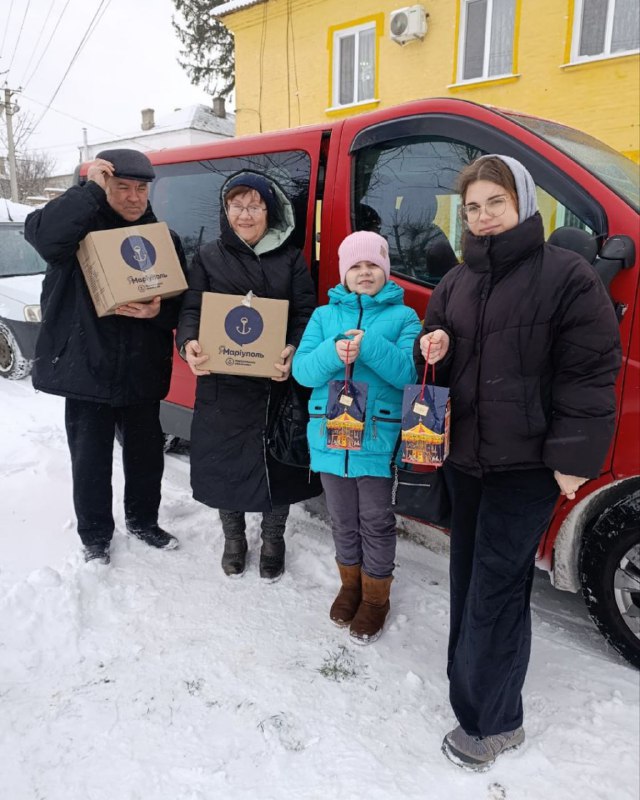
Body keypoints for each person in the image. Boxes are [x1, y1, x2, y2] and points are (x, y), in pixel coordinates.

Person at [414, 155, 621, 771]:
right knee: (469, 579)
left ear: (524, 203)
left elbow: (590, 373)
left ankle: (496, 722)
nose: (483, 218)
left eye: (494, 204)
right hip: (467, 460)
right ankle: (469, 684)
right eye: (472, 208)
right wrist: (436, 345)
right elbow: (437, 344)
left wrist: (572, 458)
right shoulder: (457, 279)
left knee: (498, 589)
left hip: (527, 466)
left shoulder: (567, 276)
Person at [25, 149, 187, 565]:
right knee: (90, 459)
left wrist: (158, 312)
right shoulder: (76, 231)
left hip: (141, 369)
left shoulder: (160, 237)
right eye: (122, 187)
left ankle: (143, 521)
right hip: (86, 367)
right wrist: (89, 191)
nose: (134, 197)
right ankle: (95, 535)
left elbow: (180, 300)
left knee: (146, 456)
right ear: (103, 186)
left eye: (141, 189)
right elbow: (42, 236)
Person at [176, 171, 320, 582]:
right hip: (225, 383)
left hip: (275, 381)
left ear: (269, 211)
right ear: (226, 211)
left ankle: (274, 538)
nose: (245, 214)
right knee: (226, 464)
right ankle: (234, 538)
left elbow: (305, 311)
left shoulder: (290, 257)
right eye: (236, 205)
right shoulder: (209, 256)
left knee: (277, 462)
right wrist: (188, 344)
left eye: (254, 205)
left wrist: (294, 348)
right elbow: (191, 310)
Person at [293, 231, 421, 644]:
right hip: (330, 437)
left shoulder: (406, 318)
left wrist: (367, 348)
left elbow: (407, 374)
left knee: (376, 522)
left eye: (372, 266)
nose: (364, 273)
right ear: (343, 273)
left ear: (385, 271)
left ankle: (376, 598)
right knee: (343, 520)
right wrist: (334, 352)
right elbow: (303, 371)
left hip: (377, 440)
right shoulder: (323, 316)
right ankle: (350, 586)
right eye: (356, 266)